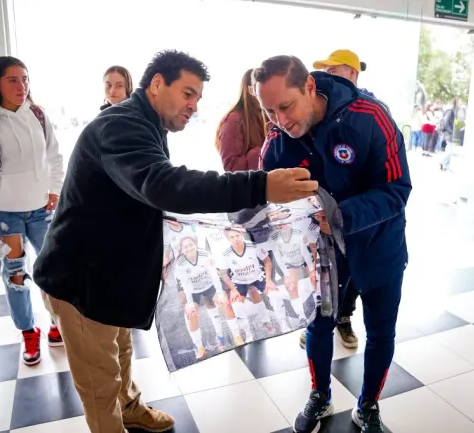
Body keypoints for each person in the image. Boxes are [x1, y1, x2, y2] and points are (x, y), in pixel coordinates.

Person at [32, 50, 318, 433]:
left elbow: (145, 195)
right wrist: (261, 185)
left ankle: (130, 407)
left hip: (111, 277)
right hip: (82, 283)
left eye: (197, 98)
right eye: (187, 93)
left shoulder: (146, 126)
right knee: (100, 380)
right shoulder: (119, 126)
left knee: (121, 351)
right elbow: (164, 185)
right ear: (156, 84)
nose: (193, 106)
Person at [255, 55, 411, 433]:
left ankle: (369, 405)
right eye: (270, 112)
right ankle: (320, 396)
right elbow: (261, 200)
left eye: (286, 107)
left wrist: (341, 213)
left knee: (380, 332)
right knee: (319, 327)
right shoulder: (277, 141)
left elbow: (396, 189)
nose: (280, 121)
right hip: (320, 257)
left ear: (309, 86)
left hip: (378, 248)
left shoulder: (370, 118)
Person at [0, 56, 65, 366]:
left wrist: (54, 189)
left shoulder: (38, 115)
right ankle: (28, 332)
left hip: (41, 211)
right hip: (5, 218)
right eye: (13, 80)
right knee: (16, 275)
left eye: (25, 79)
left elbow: (55, 157)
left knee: (53, 270)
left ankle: (56, 323)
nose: (22, 86)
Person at [308, 48, 390, 350]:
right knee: (326, 277)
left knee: (353, 275)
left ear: (352, 74)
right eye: (325, 71)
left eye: (333, 70)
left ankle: (344, 318)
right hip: (325, 219)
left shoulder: (372, 111)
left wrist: (347, 213)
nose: (326, 77)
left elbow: (390, 184)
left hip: (358, 218)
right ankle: (319, 324)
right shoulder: (319, 111)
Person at [215, 68, 267, 171]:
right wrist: (264, 152)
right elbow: (231, 167)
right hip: (251, 184)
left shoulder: (271, 115)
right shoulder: (233, 120)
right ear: (251, 90)